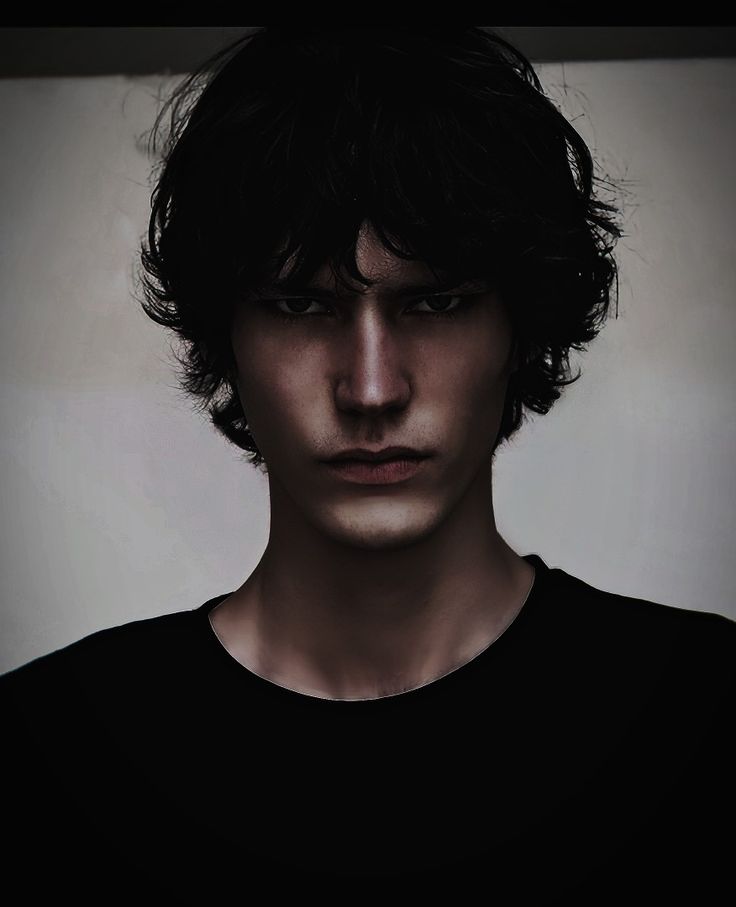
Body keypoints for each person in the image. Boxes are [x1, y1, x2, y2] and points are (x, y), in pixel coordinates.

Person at [1, 26, 733, 901]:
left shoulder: (705, 716)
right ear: (225, 336)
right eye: (302, 303)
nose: (373, 387)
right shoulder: (46, 751)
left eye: (437, 300)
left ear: (519, 327)